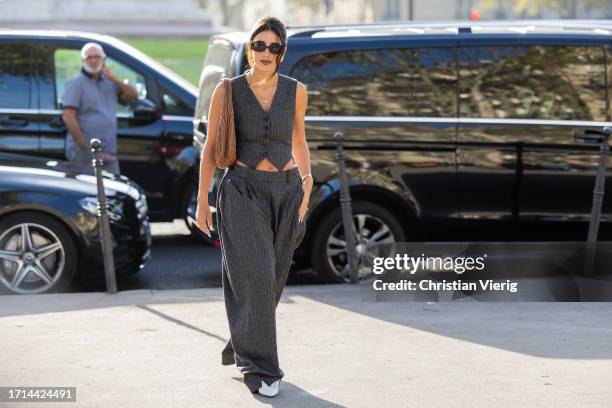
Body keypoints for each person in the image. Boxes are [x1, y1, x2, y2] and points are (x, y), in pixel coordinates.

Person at [195, 16, 313, 398]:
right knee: (258, 277)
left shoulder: (296, 91)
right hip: (242, 191)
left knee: (273, 280)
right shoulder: (226, 91)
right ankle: (262, 368)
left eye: (274, 47)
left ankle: (242, 340)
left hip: (286, 190)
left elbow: (300, 140)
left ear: (282, 53)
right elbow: (212, 149)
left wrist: (306, 187)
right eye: (259, 45)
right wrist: (203, 201)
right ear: (249, 48)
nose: (266, 52)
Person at [61, 42, 139, 175]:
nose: (93, 61)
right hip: (85, 151)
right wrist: (83, 144)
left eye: (97, 57)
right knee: (88, 189)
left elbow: (132, 96)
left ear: (103, 59)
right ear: (83, 61)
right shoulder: (76, 83)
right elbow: (68, 116)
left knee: (113, 186)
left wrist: (114, 78)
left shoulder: (110, 82)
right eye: (89, 57)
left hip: (108, 149)